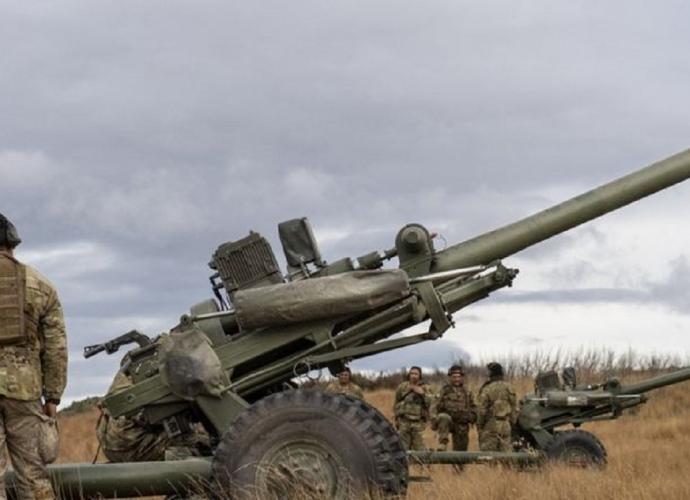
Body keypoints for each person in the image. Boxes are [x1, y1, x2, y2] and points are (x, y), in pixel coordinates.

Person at [0, 213, 67, 500]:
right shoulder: (41, 285)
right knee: (33, 476)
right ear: (12, 242)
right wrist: (53, 396)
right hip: (25, 391)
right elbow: (56, 348)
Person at [97, 365, 210, 462]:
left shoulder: (124, 380)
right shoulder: (146, 385)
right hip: (131, 446)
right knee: (198, 444)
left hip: (109, 446)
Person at [434, 364, 476, 452]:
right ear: (450, 377)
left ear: (461, 377)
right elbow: (434, 405)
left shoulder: (467, 392)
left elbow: (474, 407)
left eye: (458, 377)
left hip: (461, 424)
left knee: (461, 452)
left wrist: (471, 417)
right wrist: (434, 421)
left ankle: (458, 460)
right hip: (449, 422)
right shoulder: (444, 390)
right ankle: (443, 443)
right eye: (454, 377)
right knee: (443, 417)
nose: (457, 379)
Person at [477, 362, 517, 452]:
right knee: (506, 454)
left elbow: (481, 411)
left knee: (488, 455)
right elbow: (514, 408)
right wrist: (513, 423)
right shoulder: (510, 387)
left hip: (491, 425)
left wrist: (480, 426)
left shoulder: (487, 388)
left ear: (491, 373)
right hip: (506, 425)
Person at [394, 366, 431, 450]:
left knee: (419, 449)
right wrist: (396, 418)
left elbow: (430, 403)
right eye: (412, 373)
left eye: (416, 374)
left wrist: (422, 394)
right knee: (403, 448)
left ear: (420, 376)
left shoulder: (425, 388)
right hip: (404, 422)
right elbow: (396, 402)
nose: (413, 376)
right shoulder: (402, 387)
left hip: (418, 423)